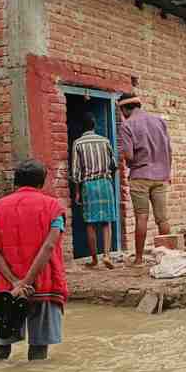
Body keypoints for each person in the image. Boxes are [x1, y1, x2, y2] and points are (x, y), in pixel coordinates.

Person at [0, 159, 67, 365]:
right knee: (38, 354)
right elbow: (48, 247)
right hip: (43, 284)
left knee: (1, 349)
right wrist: (27, 282)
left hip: (7, 290)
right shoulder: (54, 208)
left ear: (16, 182)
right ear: (42, 183)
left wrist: (15, 282)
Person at [118, 93, 172, 265]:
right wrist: (166, 171)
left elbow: (128, 154)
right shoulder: (159, 121)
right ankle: (169, 257)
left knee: (142, 217)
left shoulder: (127, 125)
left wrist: (130, 161)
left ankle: (139, 259)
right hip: (161, 176)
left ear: (124, 109)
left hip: (140, 176)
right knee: (162, 219)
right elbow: (169, 150)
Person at [71, 112, 118, 269]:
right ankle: (106, 255)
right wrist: (108, 178)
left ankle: (94, 259)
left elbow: (76, 172)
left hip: (88, 185)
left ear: (81, 127)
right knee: (107, 221)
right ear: (94, 125)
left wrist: (77, 191)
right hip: (105, 183)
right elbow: (114, 165)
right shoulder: (105, 141)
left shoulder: (78, 143)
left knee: (90, 223)